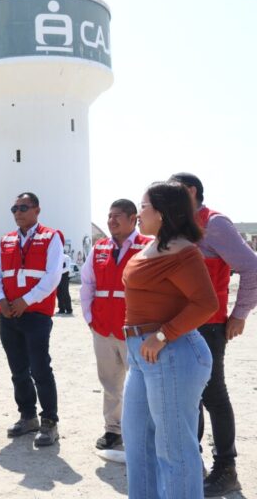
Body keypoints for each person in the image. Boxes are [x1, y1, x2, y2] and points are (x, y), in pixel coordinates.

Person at [122, 181, 218, 499]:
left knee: (174, 451)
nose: (138, 213)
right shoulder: (152, 246)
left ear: (162, 212)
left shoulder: (184, 251)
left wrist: (163, 336)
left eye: (144, 206)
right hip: (142, 355)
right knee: (137, 445)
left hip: (171, 353)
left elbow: (206, 303)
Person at [170, 172, 257, 496]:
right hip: (179, 325)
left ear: (191, 191)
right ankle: (195, 462)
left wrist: (239, 314)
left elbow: (252, 267)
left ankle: (226, 469)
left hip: (208, 325)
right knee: (188, 398)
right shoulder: (179, 225)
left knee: (212, 396)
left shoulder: (215, 224)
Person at [0, 192, 64, 447]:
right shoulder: (6, 240)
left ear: (37, 210)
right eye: (14, 208)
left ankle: (49, 422)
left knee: (40, 369)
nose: (18, 212)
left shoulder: (51, 237)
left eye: (23, 207)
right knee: (18, 370)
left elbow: (53, 275)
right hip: (8, 314)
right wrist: (0, 300)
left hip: (36, 314)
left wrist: (26, 301)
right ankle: (28, 416)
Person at [79, 199, 152, 451]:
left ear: (133, 219)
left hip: (135, 330)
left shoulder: (148, 247)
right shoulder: (99, 248)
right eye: (109, 216)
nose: (111, 221)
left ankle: (141, 432)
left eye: (117, 216)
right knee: (110, 382)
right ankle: (113, 430)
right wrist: (90, 319)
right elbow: (87, 283)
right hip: (103, 328)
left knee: (141, 383)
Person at [56, 248, 73, 315]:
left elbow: (67, 268)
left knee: (65, 293)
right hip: (57, 276)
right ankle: (61, 309)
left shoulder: (66, 257)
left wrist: (59, 272)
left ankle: (69, 309)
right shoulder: (56, 257)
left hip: (64, 277)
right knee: (58, 293)